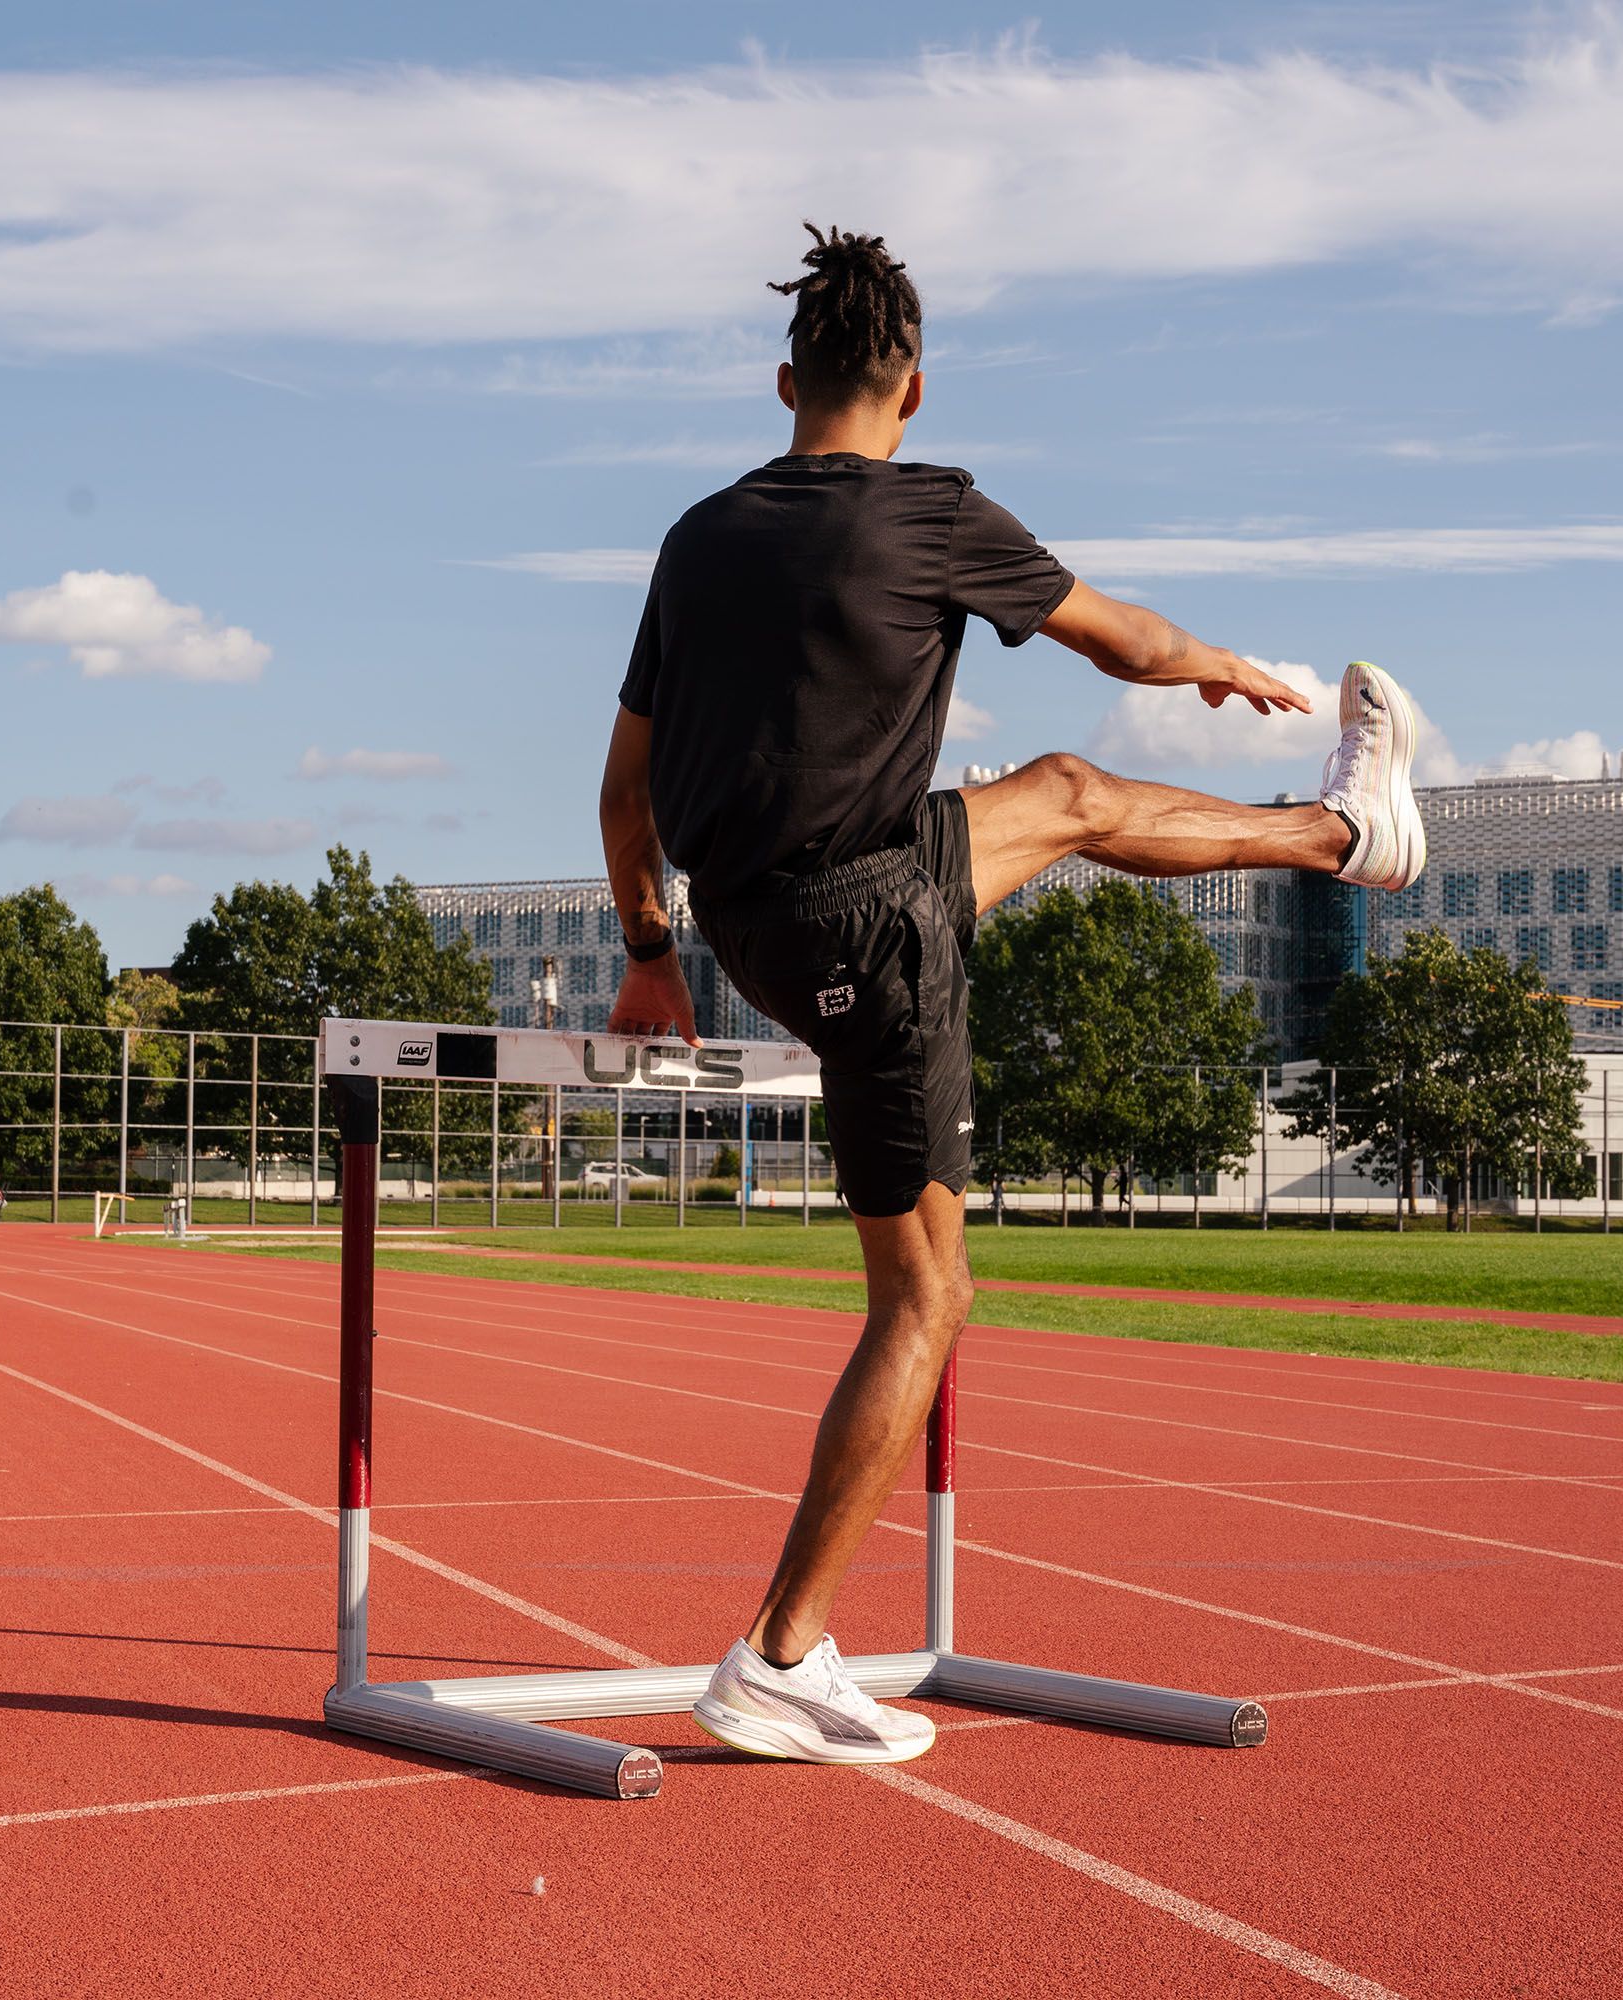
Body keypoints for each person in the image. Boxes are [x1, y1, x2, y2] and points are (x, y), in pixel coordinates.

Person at [599, 222, 1423, 1765]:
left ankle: (1345, 836)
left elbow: (626, 787)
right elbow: (1123, 637)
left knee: (1065, 796)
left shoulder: (695, 540)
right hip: (868, 932)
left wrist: (652, 956)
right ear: (912, 389)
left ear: (789, 382)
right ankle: (782, 1652)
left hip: (759, 921)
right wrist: (1227, 665)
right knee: (928, 1298)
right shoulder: (930, 512)